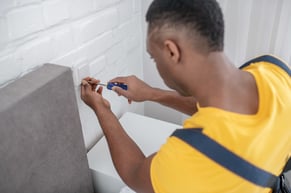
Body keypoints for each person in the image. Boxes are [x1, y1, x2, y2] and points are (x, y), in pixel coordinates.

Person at [81, 0, 291, 192]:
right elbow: (218, 110)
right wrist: (151, 94)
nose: (157, 65)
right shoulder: (274, 70)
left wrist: (102, 109)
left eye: (154, 58)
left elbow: (135, 173)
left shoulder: (196, 152)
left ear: (172, 51)